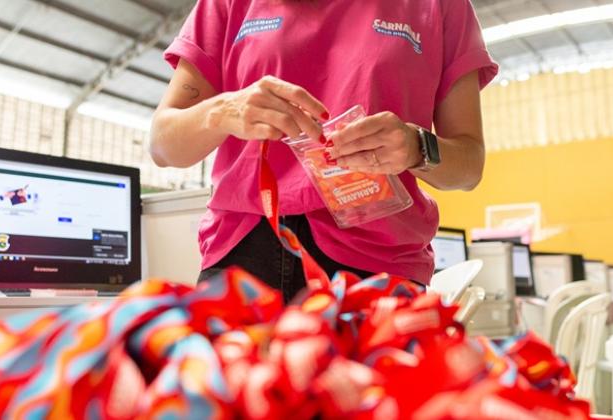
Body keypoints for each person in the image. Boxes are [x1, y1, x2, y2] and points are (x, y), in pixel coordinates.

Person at [150, 0, 498, 301]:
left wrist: (416, 147)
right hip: (243, 252)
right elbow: (163, 145)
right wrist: (222, 110)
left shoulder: (439, 7)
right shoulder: (226, 5)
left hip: (379, 262)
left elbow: (469, 166)